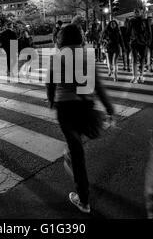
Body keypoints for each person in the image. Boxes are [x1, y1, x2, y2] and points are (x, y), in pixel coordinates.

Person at [47, 24, 115, 214]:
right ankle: (83, 200)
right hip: (85, 107)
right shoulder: (87, 55)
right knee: (77, 151)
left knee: (76, 153)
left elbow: (50, 83)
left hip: (65, 108)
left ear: (62, 38)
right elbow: (98, 85)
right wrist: (110, 108)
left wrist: (52, 101)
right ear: (80, 38)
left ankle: (83, 197)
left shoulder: (57, 56)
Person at [127, 8, 151, 84]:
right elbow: (128, 31)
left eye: (138, 12)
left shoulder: (145, 20)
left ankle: (141, 75)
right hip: (134, 42)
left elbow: (149, 31)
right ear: (134, 13)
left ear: (141, 12)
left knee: (142, 60)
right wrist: (128, 41)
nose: (136, 13)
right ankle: (134, 77)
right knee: (134, 60)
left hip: (143, 43)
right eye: (135, 12)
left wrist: (148, 42)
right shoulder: (131, 21)